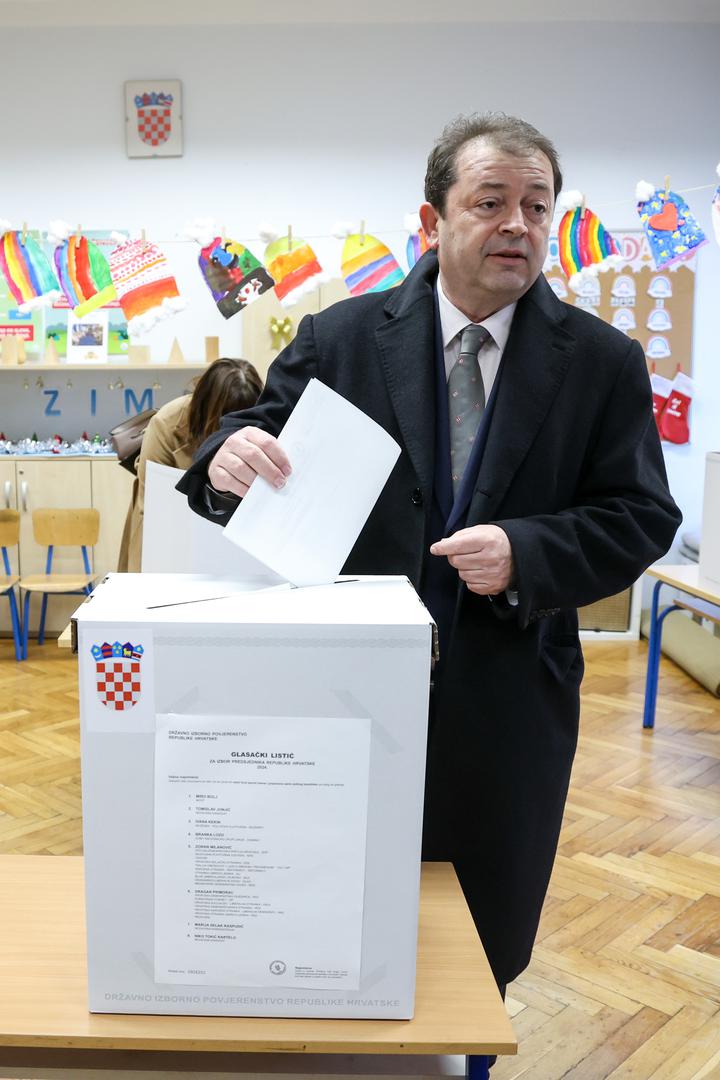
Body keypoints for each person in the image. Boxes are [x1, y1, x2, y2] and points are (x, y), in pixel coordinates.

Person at [177, 114, 681, 997]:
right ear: (430, 222)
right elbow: (252, 441)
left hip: (506, 699)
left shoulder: (601, 362)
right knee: (323, 921)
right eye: (491, 203)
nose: (518, 224)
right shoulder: (340, 337)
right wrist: (227, 457)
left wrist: (528, 551)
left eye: (537, 205)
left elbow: (640, 515)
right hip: (338, 695)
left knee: (477, 950)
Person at [118, 357, 263, 572]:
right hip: (169, 521)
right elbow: (152, 508)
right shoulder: (167, 423)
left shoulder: (262, 419)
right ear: (206, 407)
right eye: (226, 419)